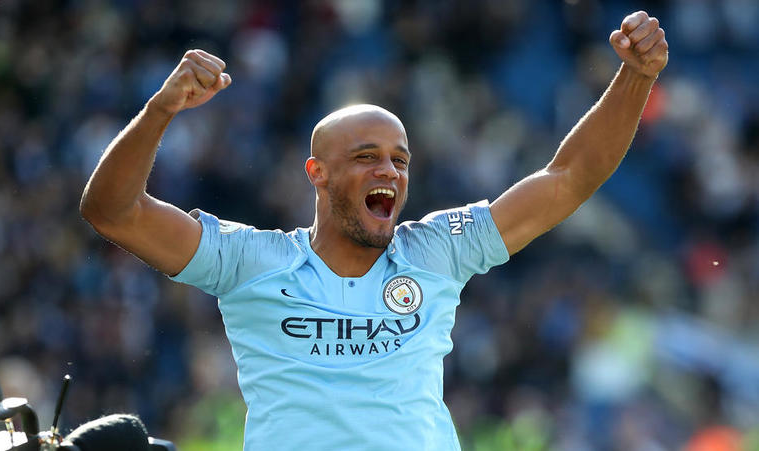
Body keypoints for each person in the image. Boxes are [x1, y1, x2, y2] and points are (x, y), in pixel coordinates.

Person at [80, 10, 668, 450]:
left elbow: (566, 179)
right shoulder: (249, 262)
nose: (388, 169)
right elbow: (112, 211)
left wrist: (636, 77)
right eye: (366, 156)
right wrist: (161, 109)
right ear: (317, 172)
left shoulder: (437, 251)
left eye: (400, 159)